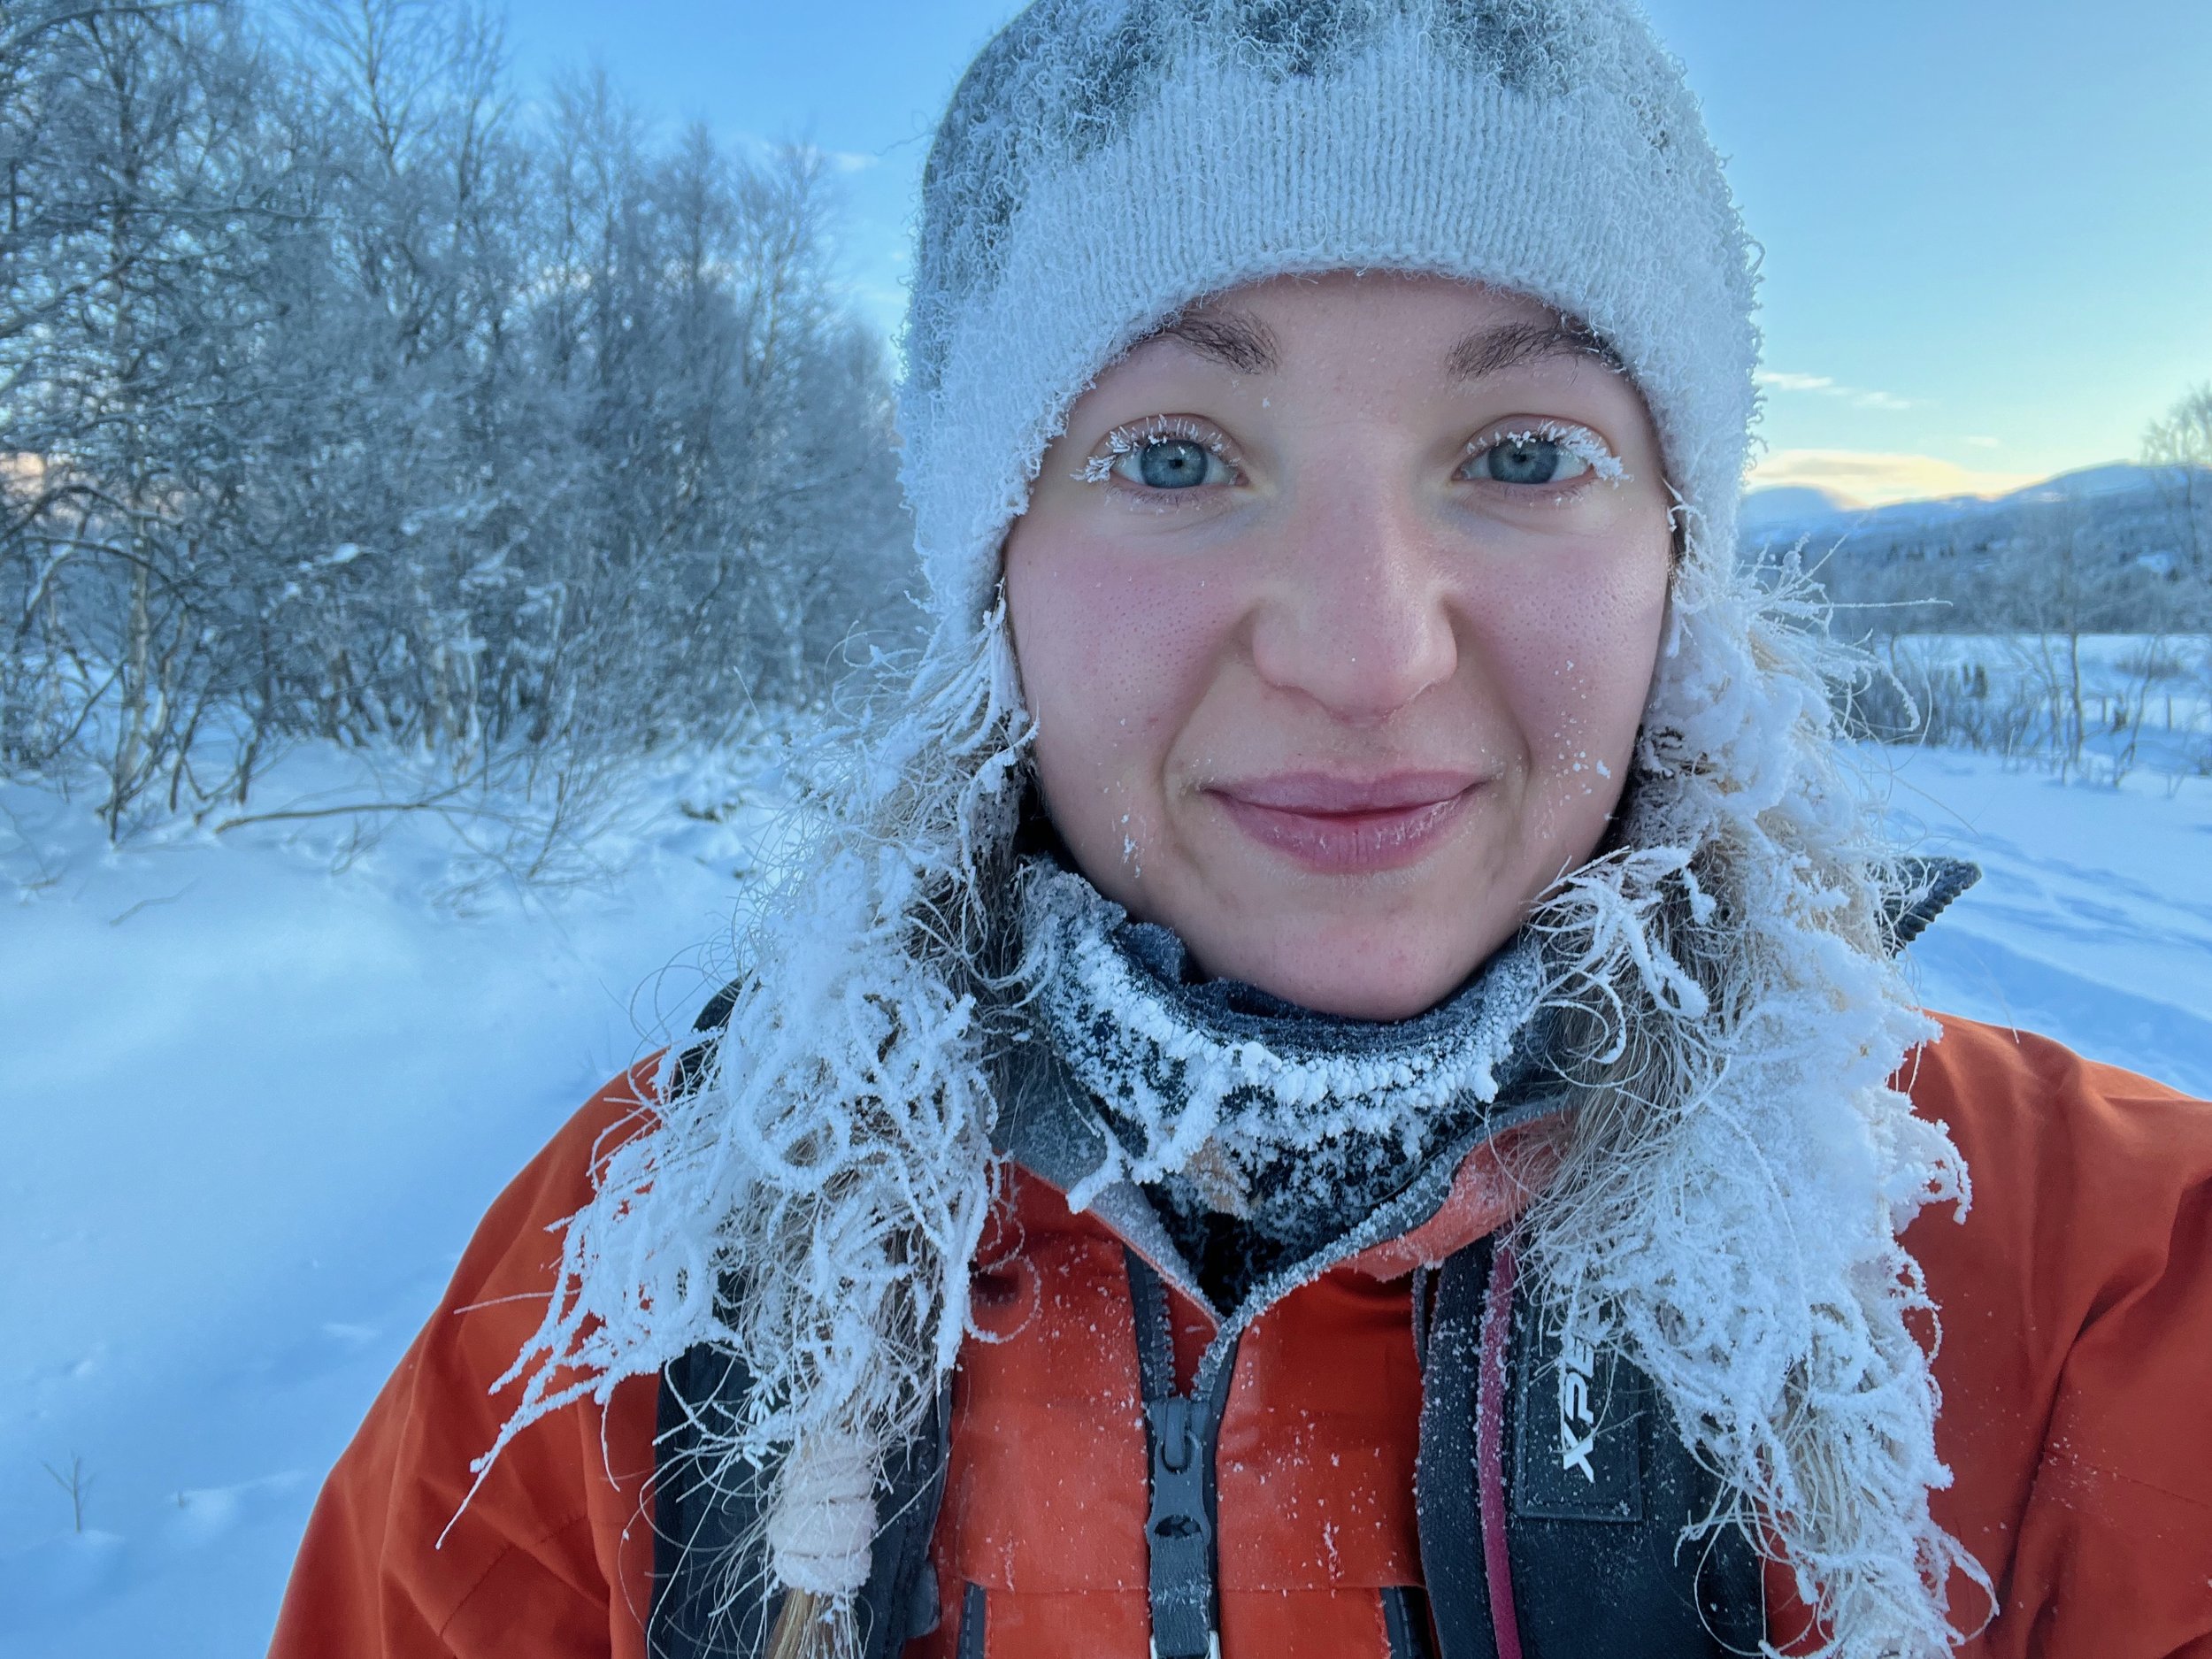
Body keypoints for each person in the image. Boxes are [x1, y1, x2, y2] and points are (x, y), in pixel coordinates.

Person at [271, 3, 2212, 1656]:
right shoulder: (644, 1294)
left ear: (1674, 562)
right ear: (994, 574)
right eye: (1173, 455)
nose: (1365, 655)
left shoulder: (2099, 1292)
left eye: (1523, 454)